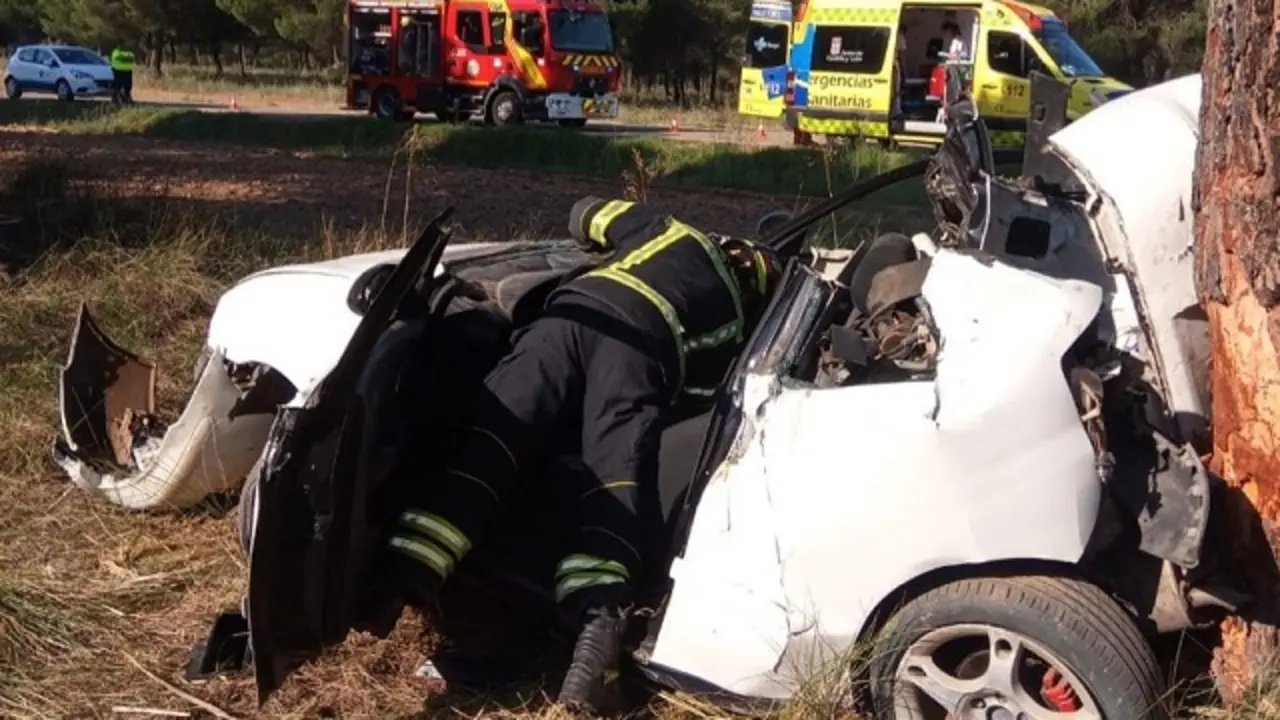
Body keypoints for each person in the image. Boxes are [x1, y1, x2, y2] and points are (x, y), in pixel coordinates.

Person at [378, 198, 782, 715]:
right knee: (612, 488)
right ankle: (595, 646)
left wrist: (595, 241)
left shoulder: (673, 231)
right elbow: (694, 411)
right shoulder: (730, 319)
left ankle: (399, 580)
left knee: (492, 439)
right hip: (636, 359)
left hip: (571, 316)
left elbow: (585, 213)